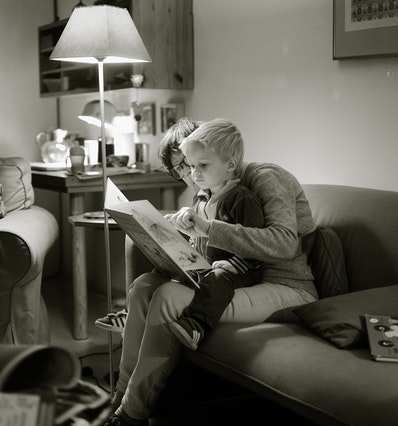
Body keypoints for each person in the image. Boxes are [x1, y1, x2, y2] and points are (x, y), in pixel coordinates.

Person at [103, 117, 318, 426]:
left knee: (168, 297)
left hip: (284, 284)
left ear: (222, 157)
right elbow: (215, 247)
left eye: (191, 165)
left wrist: (207, 229)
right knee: (143, 286)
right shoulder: (210, 189)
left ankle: (131, 414)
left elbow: (284, 244)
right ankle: (119, 396)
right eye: (184, 169)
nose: (189, 176)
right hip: (237, 280)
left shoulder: (262, 179)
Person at [167, 119, 265, 350]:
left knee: (218, 278)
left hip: (240, 269)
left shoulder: (242, 199)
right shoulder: (201, 198)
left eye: (203, 166)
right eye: (191, 166)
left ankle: (195, 326)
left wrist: (233, 265)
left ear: (230, 164)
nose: (195, 173)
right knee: (168, 267)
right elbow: (199, 238)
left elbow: (255, 245)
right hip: (206, 264)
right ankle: (131, 310)